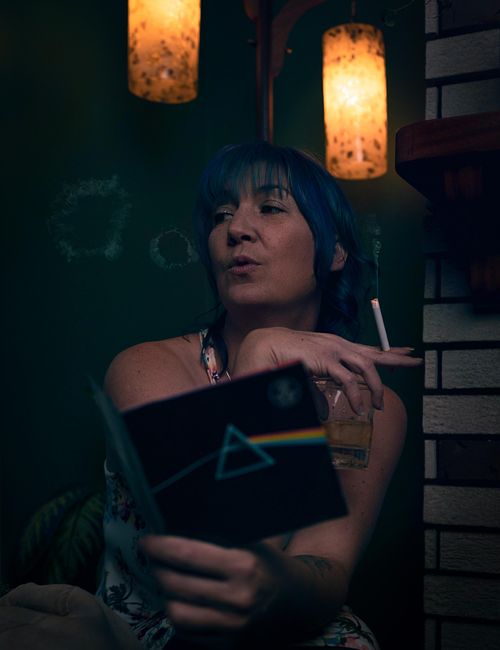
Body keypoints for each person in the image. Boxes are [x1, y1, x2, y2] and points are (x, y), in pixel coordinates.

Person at [96, 142, 421, 649]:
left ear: (334, 251)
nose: (236, 229)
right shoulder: (147, 370)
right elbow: (215, 569)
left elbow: (324, 569)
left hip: (287, 618)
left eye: (270, 207)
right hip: (161, 631)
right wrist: (259, 361)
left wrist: (280, 583)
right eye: (222, 215)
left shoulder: (367, 406)